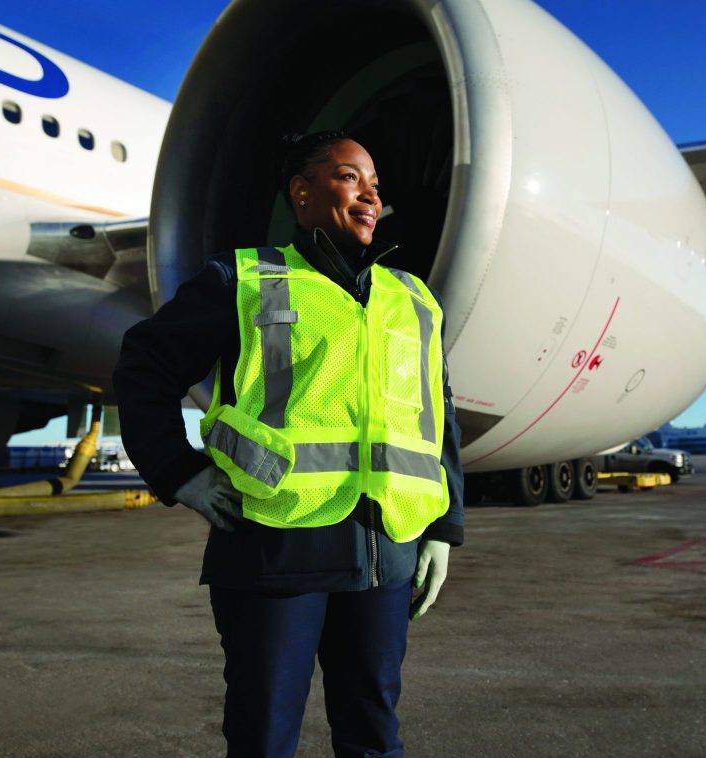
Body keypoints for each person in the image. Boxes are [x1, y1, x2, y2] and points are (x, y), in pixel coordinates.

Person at [113, 130, 464, 757]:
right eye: (349, 176)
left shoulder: (414, 300)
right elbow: (144, 367)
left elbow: (439, 421)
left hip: (387, 551)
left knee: (375, 736)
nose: (370, 193)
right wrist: (178, 471)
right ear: (301, 193)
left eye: (375, 184)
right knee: (263, 738)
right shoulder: (243, 279)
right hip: (273, 552)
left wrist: (444, 526)